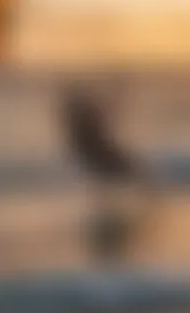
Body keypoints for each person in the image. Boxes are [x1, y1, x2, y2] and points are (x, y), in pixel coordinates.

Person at [59, 80, 154, 264]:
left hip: (100, 154)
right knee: (128, 175)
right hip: (99, 154)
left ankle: (143, 209)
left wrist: (118, 95)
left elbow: (99, 127)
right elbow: (92, 137)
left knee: (128, 176)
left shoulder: (80, 120)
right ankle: (144, 208)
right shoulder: (80, 121)